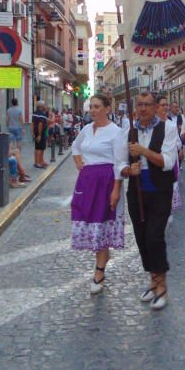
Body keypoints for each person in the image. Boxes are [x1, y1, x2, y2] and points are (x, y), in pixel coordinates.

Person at [119, 90, 178, 310]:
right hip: (136, 190)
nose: (143, 108)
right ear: (135, 108)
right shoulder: (128, 131)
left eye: (147, 104)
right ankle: (153, 281)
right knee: (142, 238)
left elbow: (168, 162)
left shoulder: (168, 128)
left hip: (160, 190)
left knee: (154, 236)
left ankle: (162, 285)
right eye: (140, 104)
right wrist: (128, 169)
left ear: (155, 107)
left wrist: (143, 151)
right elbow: (118, 163)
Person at [71, 93, 125, 294]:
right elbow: (75, 147)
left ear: (107, 109)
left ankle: (99, 270)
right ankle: (102, 256)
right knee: (87, 219)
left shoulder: (116, 132)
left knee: (101, 222)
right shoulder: (86, 129)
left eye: (96, 107)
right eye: (91, 107)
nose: (92, 110)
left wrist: (116, 189)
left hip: (106, 181)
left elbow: (120, 163)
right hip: (86, 181)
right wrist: (79, 163)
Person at [157, 94, 182, 214]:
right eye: (163, 105)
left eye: (166, 105)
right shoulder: (151, 124)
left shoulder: (171, 124)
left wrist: (180, 148)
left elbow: (177, 141)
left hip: (171, 161)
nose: (165, 107)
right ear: (156, 107)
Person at [31, 101, 48, 168]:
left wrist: (32, 133)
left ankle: (40, 161)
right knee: (40, 148)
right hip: (40, 133)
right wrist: (39, 135)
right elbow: (40, 124)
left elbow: (32, 124)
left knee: (38, 147)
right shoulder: (42, 115)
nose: (45, 106)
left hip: (36, 132)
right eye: (44, 105)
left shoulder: (34, 113)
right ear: (41, 107)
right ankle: (37, 163)